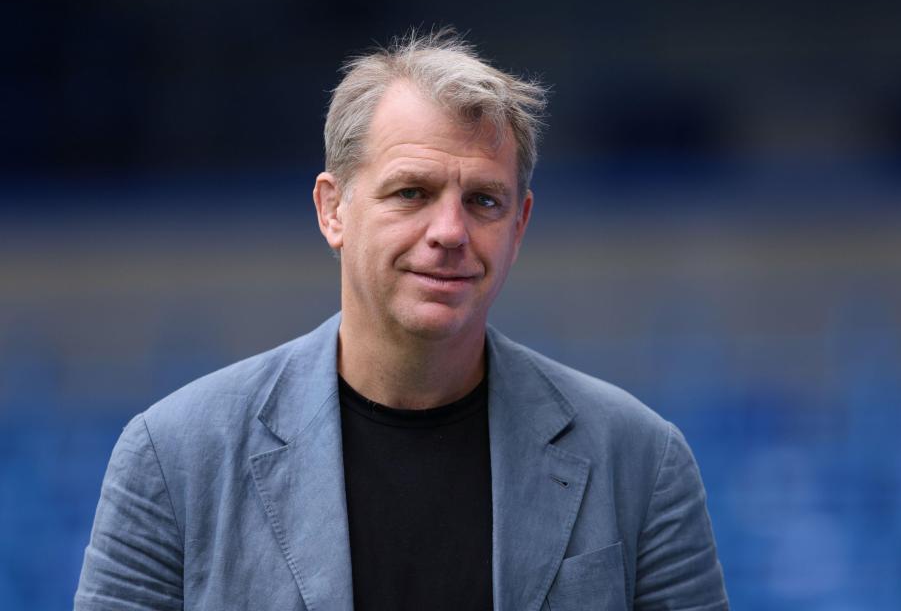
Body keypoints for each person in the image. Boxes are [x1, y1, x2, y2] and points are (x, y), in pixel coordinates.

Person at [75, 30, 729, 611]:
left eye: (483, 201)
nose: (449, 231)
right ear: (333, 210)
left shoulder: (641, 461)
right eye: (411, 192)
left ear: (519, 226)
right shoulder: (173, 458)